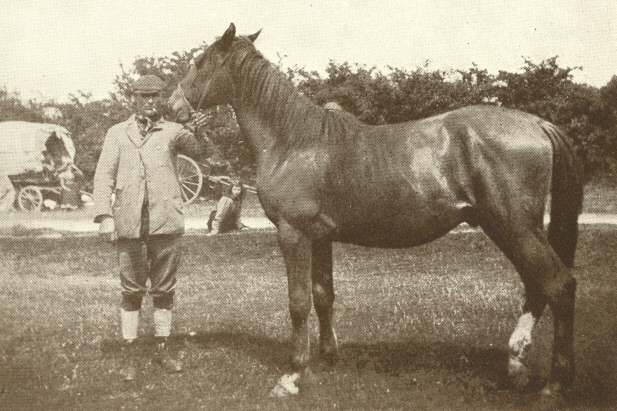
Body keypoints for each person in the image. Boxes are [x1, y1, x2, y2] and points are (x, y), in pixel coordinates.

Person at [93, 74, 208, 381]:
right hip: (129, 223)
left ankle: (162, 349)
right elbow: (104, 175)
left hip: (165, 223)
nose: (150, 102)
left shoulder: (173, 132)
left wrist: (197, 131)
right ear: (134, 99)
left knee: (164, 290)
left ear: (161, 99)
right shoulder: (117, 133)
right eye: (144, 97)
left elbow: (199, 152)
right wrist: (105, 215)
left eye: (155, 96)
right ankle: (129, 354)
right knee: (130, 291)